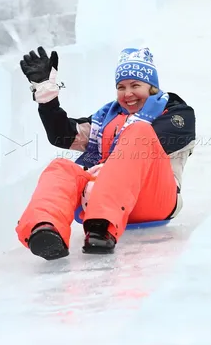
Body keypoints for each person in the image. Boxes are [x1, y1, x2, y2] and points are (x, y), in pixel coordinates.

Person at [15, 46, 196, 260]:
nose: (127, 93)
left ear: (152, 88)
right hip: (98, 200)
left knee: (139, 133)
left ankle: (102, 225)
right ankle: (45, 229)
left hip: (153, 201)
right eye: (121, 87)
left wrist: (106, 163)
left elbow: (150, 141)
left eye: (135, 85)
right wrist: (46, 95)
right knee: (61, 167)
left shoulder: (177, 114)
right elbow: (62, 134)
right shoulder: (108, 119)